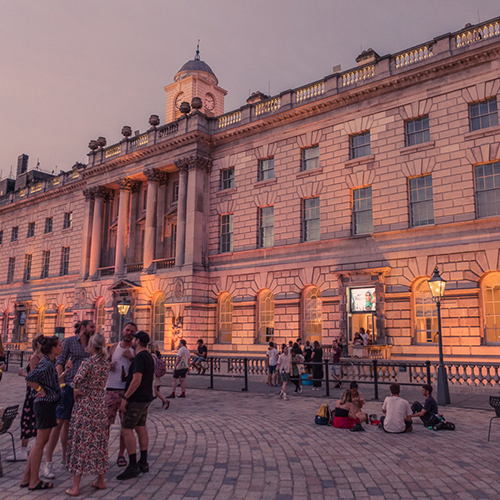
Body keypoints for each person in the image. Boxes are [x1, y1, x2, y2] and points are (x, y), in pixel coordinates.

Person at [43, 320, 95, 480]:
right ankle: (48, 462)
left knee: (71, 424)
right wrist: (62, 385)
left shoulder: (92, 344)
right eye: (92, 327)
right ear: (83, 328)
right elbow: (59, 363)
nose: (95, 329)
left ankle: (66, 458)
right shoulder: (69, 342)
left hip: (84, 389)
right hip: (68, 387)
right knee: (59, 423)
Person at [21, 336, 68, 490]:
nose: (61, 348)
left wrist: (65, 373)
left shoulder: (50, 363)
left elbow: (52, 383)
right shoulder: (47, 364)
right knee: (40, 443)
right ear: (53, 348)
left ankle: (27, 477)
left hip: (46, 405)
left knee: (38, 443)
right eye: (59, 345)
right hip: (45, 406)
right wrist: (40, 390)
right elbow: (30, 377)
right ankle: (34, 480)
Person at [65, 333, 110, 496]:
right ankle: (100, 480)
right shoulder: (105, 362)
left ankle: (75, 486)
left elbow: (75, 381)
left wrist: (78, 388)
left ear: (91, 345)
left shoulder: (88, 362)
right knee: (99, 440)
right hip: (99, 404)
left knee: (81, 441)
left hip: (85, 405)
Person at [117, 331, 155, 480]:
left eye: (134, 339)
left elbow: (136, 380)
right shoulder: (149, 357)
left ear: (137, 341)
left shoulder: (140, 357)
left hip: (136, 399)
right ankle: (143, 462)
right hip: (145, 398)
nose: (132, 341)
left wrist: (125, 397)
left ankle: (133, 466)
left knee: (126, 430)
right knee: (141, 428)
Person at [7, 334, 43, 461]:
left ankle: (23, 450)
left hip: (32, 394)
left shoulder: (35, 357)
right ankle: (35, 447)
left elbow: (32, 378)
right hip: (39, 393)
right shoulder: (44, 358)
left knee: (27, 420)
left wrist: (23, 374)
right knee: (37, 421)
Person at [106, 321, 136, 468]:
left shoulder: (136, 351)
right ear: (123, 331)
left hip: (126, 391)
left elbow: (139, 370)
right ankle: (102, 452)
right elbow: (103, 365)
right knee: (105, 424)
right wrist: (107, 366)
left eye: (132, 331)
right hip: (111, 389)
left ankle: (121, 454)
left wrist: (131, 358)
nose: (128, 333)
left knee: (125, 426)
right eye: (127, 330)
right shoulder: (112, 348)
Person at [148, 342, 169, 408]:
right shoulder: (155, 356)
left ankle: (164, 400)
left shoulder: (151, 356)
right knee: (156, 390)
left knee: (153, 391)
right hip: (155, 376)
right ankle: (165, 400)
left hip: (153, 376)